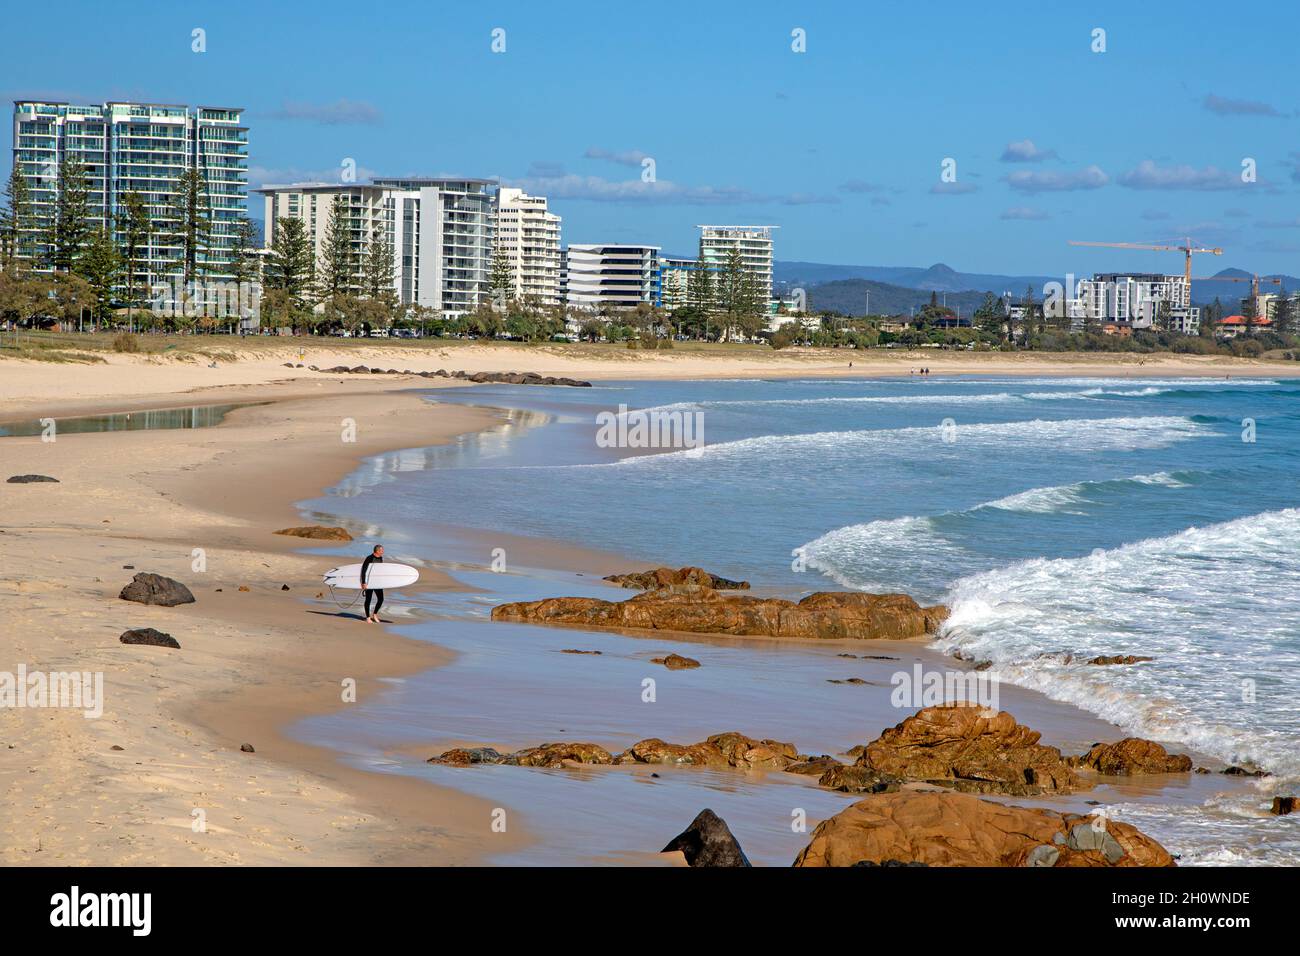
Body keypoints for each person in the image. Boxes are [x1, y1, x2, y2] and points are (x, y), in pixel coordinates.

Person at [361, 545, 385, 622]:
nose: (382, 552)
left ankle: (375, 614)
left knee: (381, 599)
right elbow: (363, 570)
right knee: (368, 599)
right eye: (381, 550)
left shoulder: (381, 558)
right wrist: (364, 582)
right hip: (369, 582)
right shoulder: (369, 558)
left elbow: (380, 570)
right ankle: (368, 617)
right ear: (377, 551)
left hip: (377, 582)